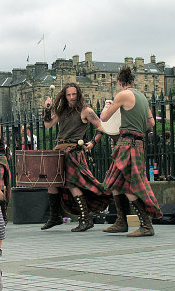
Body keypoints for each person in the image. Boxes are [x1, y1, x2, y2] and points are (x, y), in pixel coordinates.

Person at [42, 82, 112, 232]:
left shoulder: (85, 110)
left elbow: (101, 127)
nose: (72, 97)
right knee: (52, 184)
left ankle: (85, 219)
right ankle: (55, 217)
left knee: (73, 184)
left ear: (78, 94)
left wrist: (92, 143)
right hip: (59, 151)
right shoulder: (62, 110)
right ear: (65, 96)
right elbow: (48, 124)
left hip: (74, 151)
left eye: (74, 94)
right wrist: (47, 109)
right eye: (69, 95)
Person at [101, 66, 162, 237]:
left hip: (127, 144)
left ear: (119, 82)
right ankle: (121, 222)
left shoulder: (122, 95)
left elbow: (104, 118)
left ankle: (146, 226)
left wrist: (107, 106)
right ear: (133, 81)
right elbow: (151, 123)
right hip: (137, 144)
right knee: (114, 182)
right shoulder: (141, 97)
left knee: (128, 185)